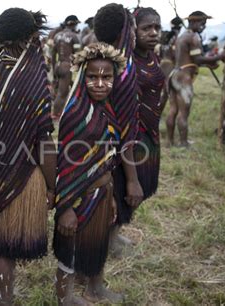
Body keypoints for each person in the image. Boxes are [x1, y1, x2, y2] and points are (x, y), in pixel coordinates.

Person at [0, 8, 56, 305]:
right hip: (19, 175)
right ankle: (2, 301)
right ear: (31, 37)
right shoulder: (30, 77)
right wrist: (52, 184)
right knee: (7, 249)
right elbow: (43, 139)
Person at [53, 42, 126, 305]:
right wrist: (65, 208)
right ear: (82, 78)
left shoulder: (107, 110)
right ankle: (65, 297)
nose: (100, 83)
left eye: (106, 77)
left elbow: (108, 158)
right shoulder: (75, 113)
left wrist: (112, 196)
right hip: (78, 198)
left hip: (103, 193)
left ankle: (95, 288)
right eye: (92, 77)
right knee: (70, 250)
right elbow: (64, 165)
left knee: (98, 242)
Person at [94, 3, 144, 256]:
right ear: (123, 33)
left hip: (99, 149)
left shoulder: (100, 61)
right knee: (115, 194)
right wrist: (134, 180)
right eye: (133, 30)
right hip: (112, 153)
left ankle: (111, 238)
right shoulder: (121, 71)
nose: (136, 36)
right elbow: (124, 134)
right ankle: (105, 245)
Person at [123, 7, 165, 223]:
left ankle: (118, 231)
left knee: (144, 182)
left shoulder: (152, 56)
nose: (153, 33)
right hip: (132, 136)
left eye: (157, 27)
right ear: (133, 30)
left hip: (151, 131)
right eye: (146, 28)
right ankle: (111, 235)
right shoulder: (125, 62)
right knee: (128, 185)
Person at [166, 11, 225, 147]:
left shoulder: (181, 36)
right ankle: (183, 143)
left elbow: (192, 60)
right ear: (194, 22)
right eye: (203, 23)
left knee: (173, 109)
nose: (204, 27)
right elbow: (198, 59)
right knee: (183, 112)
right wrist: (221, 56)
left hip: (174, 74)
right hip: (184, 77)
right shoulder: (193, 37)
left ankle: (170, 141)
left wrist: (210, 63)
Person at [52, 15, 81, 118]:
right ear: (73, 24)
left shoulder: (56, 36)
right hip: (67, 66)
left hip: (58, 65)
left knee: (61, 91)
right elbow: (78, 55)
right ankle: (56, 114)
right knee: (62, 93)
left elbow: (53, 55)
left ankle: (60, 112)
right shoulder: (74, 37)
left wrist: (53, 70)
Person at [157, 16, 183, 112]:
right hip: (170, 67)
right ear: (180, 27)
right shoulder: (177, 38)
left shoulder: (164, 35)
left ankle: (156, 114)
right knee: (168, 96)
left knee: (162, 94)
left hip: (161, 65)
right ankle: (157, 115)